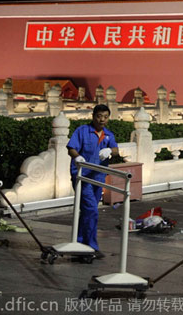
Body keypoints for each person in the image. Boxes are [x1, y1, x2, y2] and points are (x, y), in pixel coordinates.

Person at [67, 104, 119, 259]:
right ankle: (91, 247)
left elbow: (116, 150)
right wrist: (77, 157)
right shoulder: (82, 131)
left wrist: (110, 150)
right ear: (93, 116)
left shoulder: (108, 135)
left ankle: (80, 244)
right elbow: (71, 148)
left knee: (88, 212)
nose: (102, 120)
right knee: (92, 210)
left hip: (98, 177)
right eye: (99, 116)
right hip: (83, 176)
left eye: (105, 117)